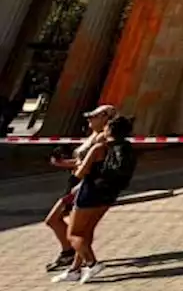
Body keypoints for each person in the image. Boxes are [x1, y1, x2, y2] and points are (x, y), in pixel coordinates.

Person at [52, 116, 137, 283]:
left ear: (110, 130)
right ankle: (74, 270)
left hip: (89, 193)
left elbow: (80, 173)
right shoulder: (124, 148)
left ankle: (92, 264)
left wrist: (75, 165)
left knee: (74, 234)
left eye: (105, 127)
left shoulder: (99, 148)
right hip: (108, 194)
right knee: (86, 232)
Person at [44, 104, 115, 273]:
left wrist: (76, 176)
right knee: (71, 224)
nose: (89, 119)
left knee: (56, 220)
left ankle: (77, 256)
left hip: (82, 184)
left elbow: (91, 165)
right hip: (75, 181)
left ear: (105, 119)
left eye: (94, 116)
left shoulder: (102, 140)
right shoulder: (93, 136)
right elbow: (82, 161)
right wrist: (62, 163)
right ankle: (75, 257)